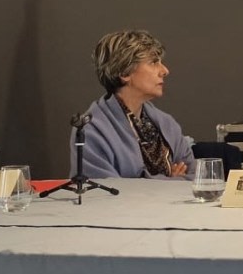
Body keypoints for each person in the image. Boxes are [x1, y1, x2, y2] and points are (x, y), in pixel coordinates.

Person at [79, 30, 193, 181]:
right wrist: (169, 180)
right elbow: (106, 192)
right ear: (124, 72)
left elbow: (195, 178)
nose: (165, 71)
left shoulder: (167, 124)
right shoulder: (91, 129)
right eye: (153, 62)